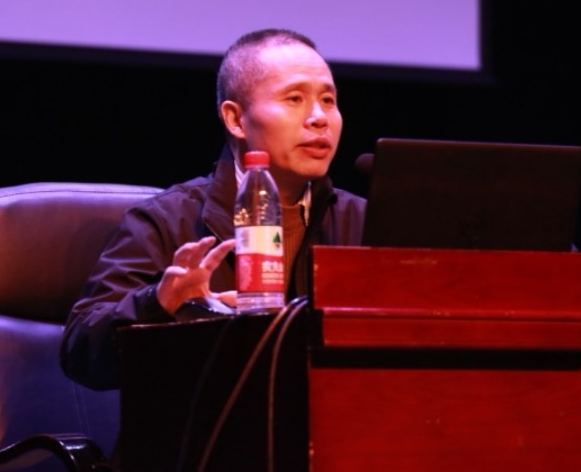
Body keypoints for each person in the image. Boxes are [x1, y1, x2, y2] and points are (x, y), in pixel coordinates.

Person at [60, 28, 366, 390]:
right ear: (236, 119)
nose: (319, 118)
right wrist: (160, 303)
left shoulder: (363, 222)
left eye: (328, 100)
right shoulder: (167, 221)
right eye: (295, 98)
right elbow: (80, 351)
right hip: (208, 421)